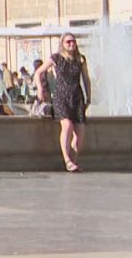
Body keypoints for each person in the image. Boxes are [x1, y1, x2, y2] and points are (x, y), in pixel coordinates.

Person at [34, 33, 91, 172]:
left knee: (80, 133)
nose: (71, 44)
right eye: (68, 42)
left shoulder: (80, 59)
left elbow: (86, 79)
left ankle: (73, 162)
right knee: (67, 125)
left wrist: (89, 96)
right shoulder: (56, 58)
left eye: (73, 41)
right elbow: (38, 72)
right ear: (63, 44)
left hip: (77, 97)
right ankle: (67, 160)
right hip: (61, 96)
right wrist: (40, 89)